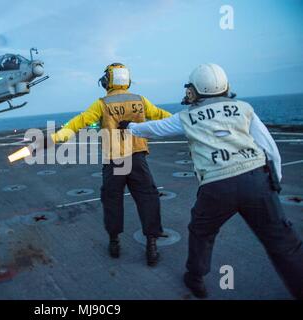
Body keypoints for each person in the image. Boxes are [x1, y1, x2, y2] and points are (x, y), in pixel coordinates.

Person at [120, 63, 303, 299]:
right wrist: (273, 185)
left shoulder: (187, 116)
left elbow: (155, 129)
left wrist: (130, 126)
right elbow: (269, 148)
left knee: (201, 232)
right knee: (285, 246)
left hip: (216, 187)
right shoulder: (244, 108)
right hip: (256, 179)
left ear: (193, 90)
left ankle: (195, 278)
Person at [42, 63, 172, 266]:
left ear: (107, 81)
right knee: (148, 198)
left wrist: (56, 137)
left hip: (114, 161)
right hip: (138, 158)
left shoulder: (102, 103)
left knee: (112, 200)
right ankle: (152, 245)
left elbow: (80, 122)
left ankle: (114, 242)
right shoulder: (139, 100)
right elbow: (162, 116)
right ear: (126, 80)